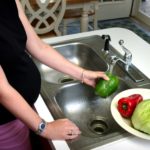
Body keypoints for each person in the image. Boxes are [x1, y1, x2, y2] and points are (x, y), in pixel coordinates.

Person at [0, 0, 109, 150]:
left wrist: (83, 74)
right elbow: (2, 90)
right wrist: (46, 128)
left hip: (22, 110)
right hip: (4, 125)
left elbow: (38, 47)